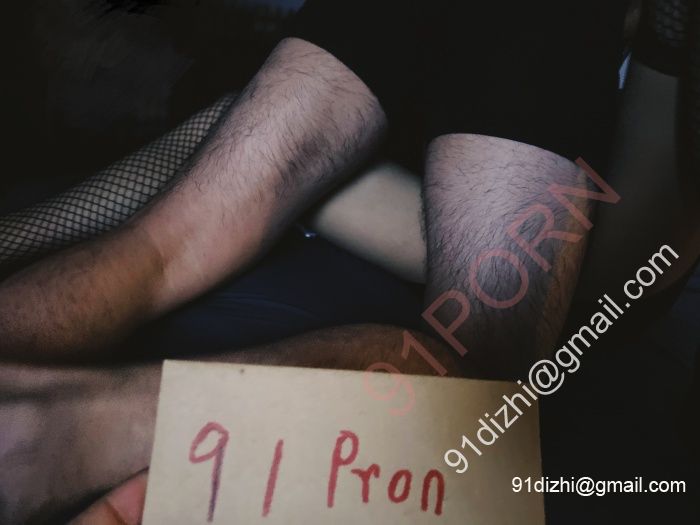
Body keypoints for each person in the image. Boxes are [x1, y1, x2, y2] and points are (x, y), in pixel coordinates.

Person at [0, 0, 634, 380]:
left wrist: (311, 187)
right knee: (176, 215)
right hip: (378, 141)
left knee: (477, 367)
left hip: (479, 208)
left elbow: (606, 271)